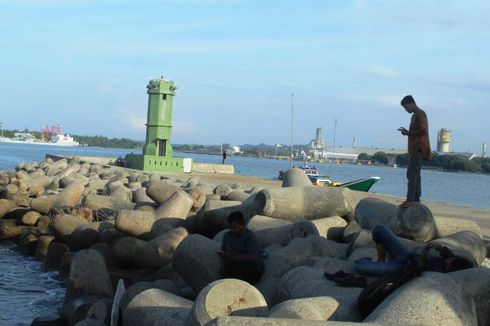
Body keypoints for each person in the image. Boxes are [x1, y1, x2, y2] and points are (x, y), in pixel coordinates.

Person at [354, 224, 476, 276]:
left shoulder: (440, 273)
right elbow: (443, 250)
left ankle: (371, 262)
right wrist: (432, 246)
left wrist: (423, 262)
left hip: (401, 268)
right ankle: (381, 260)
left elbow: (420, 274)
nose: (446, 260)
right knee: (379, 229)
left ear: (450, 268)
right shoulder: (450, 258)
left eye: (448, 263)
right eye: (449, 259)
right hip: (405, 254)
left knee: (359, 266)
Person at [398, 95, 432, 208]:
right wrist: (408, 132)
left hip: (419, 149)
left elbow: (423, 130)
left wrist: (408, 133)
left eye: (406, 107)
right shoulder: (415, 115)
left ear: (411, 103)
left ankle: (411, 199)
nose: (406, 110)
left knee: (412, 174)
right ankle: (416, 199)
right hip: (415, 149)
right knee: (415, 174)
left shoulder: (420, 113)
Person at [219, 211, 264, 284]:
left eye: (234, 227)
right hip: (233, 264)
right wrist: (222, 266)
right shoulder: (227, 236)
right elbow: (222, 251)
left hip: (250, 267)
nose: (231, 230)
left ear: (242, 225)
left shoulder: (250, 237)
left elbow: (253, 257)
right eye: (230, 227)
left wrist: (232, 257)